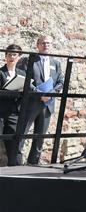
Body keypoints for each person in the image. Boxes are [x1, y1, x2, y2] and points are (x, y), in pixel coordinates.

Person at [16, 35, 64, 165]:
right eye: (43, 43)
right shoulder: (28, 60)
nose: (46, 45)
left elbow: (61, 81)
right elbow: (23, 78)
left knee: (40, 137)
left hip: (48, 104)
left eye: (48, 43)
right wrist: (38, 93)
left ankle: (33, 163)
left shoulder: (56, 63)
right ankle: (16, 163)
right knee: (22, 134)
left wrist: (51, 94)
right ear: (37, 45)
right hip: (32, 103)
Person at [1, 44, 25, 166]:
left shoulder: (22, 73)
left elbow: (28, 91)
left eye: (14, 54)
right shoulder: (1, 72)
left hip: (14, 112)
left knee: (15, 142)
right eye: (9, 54)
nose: (11, 57)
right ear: (5, 56)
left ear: (19, 57)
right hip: (0, 112)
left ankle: (15, 169)